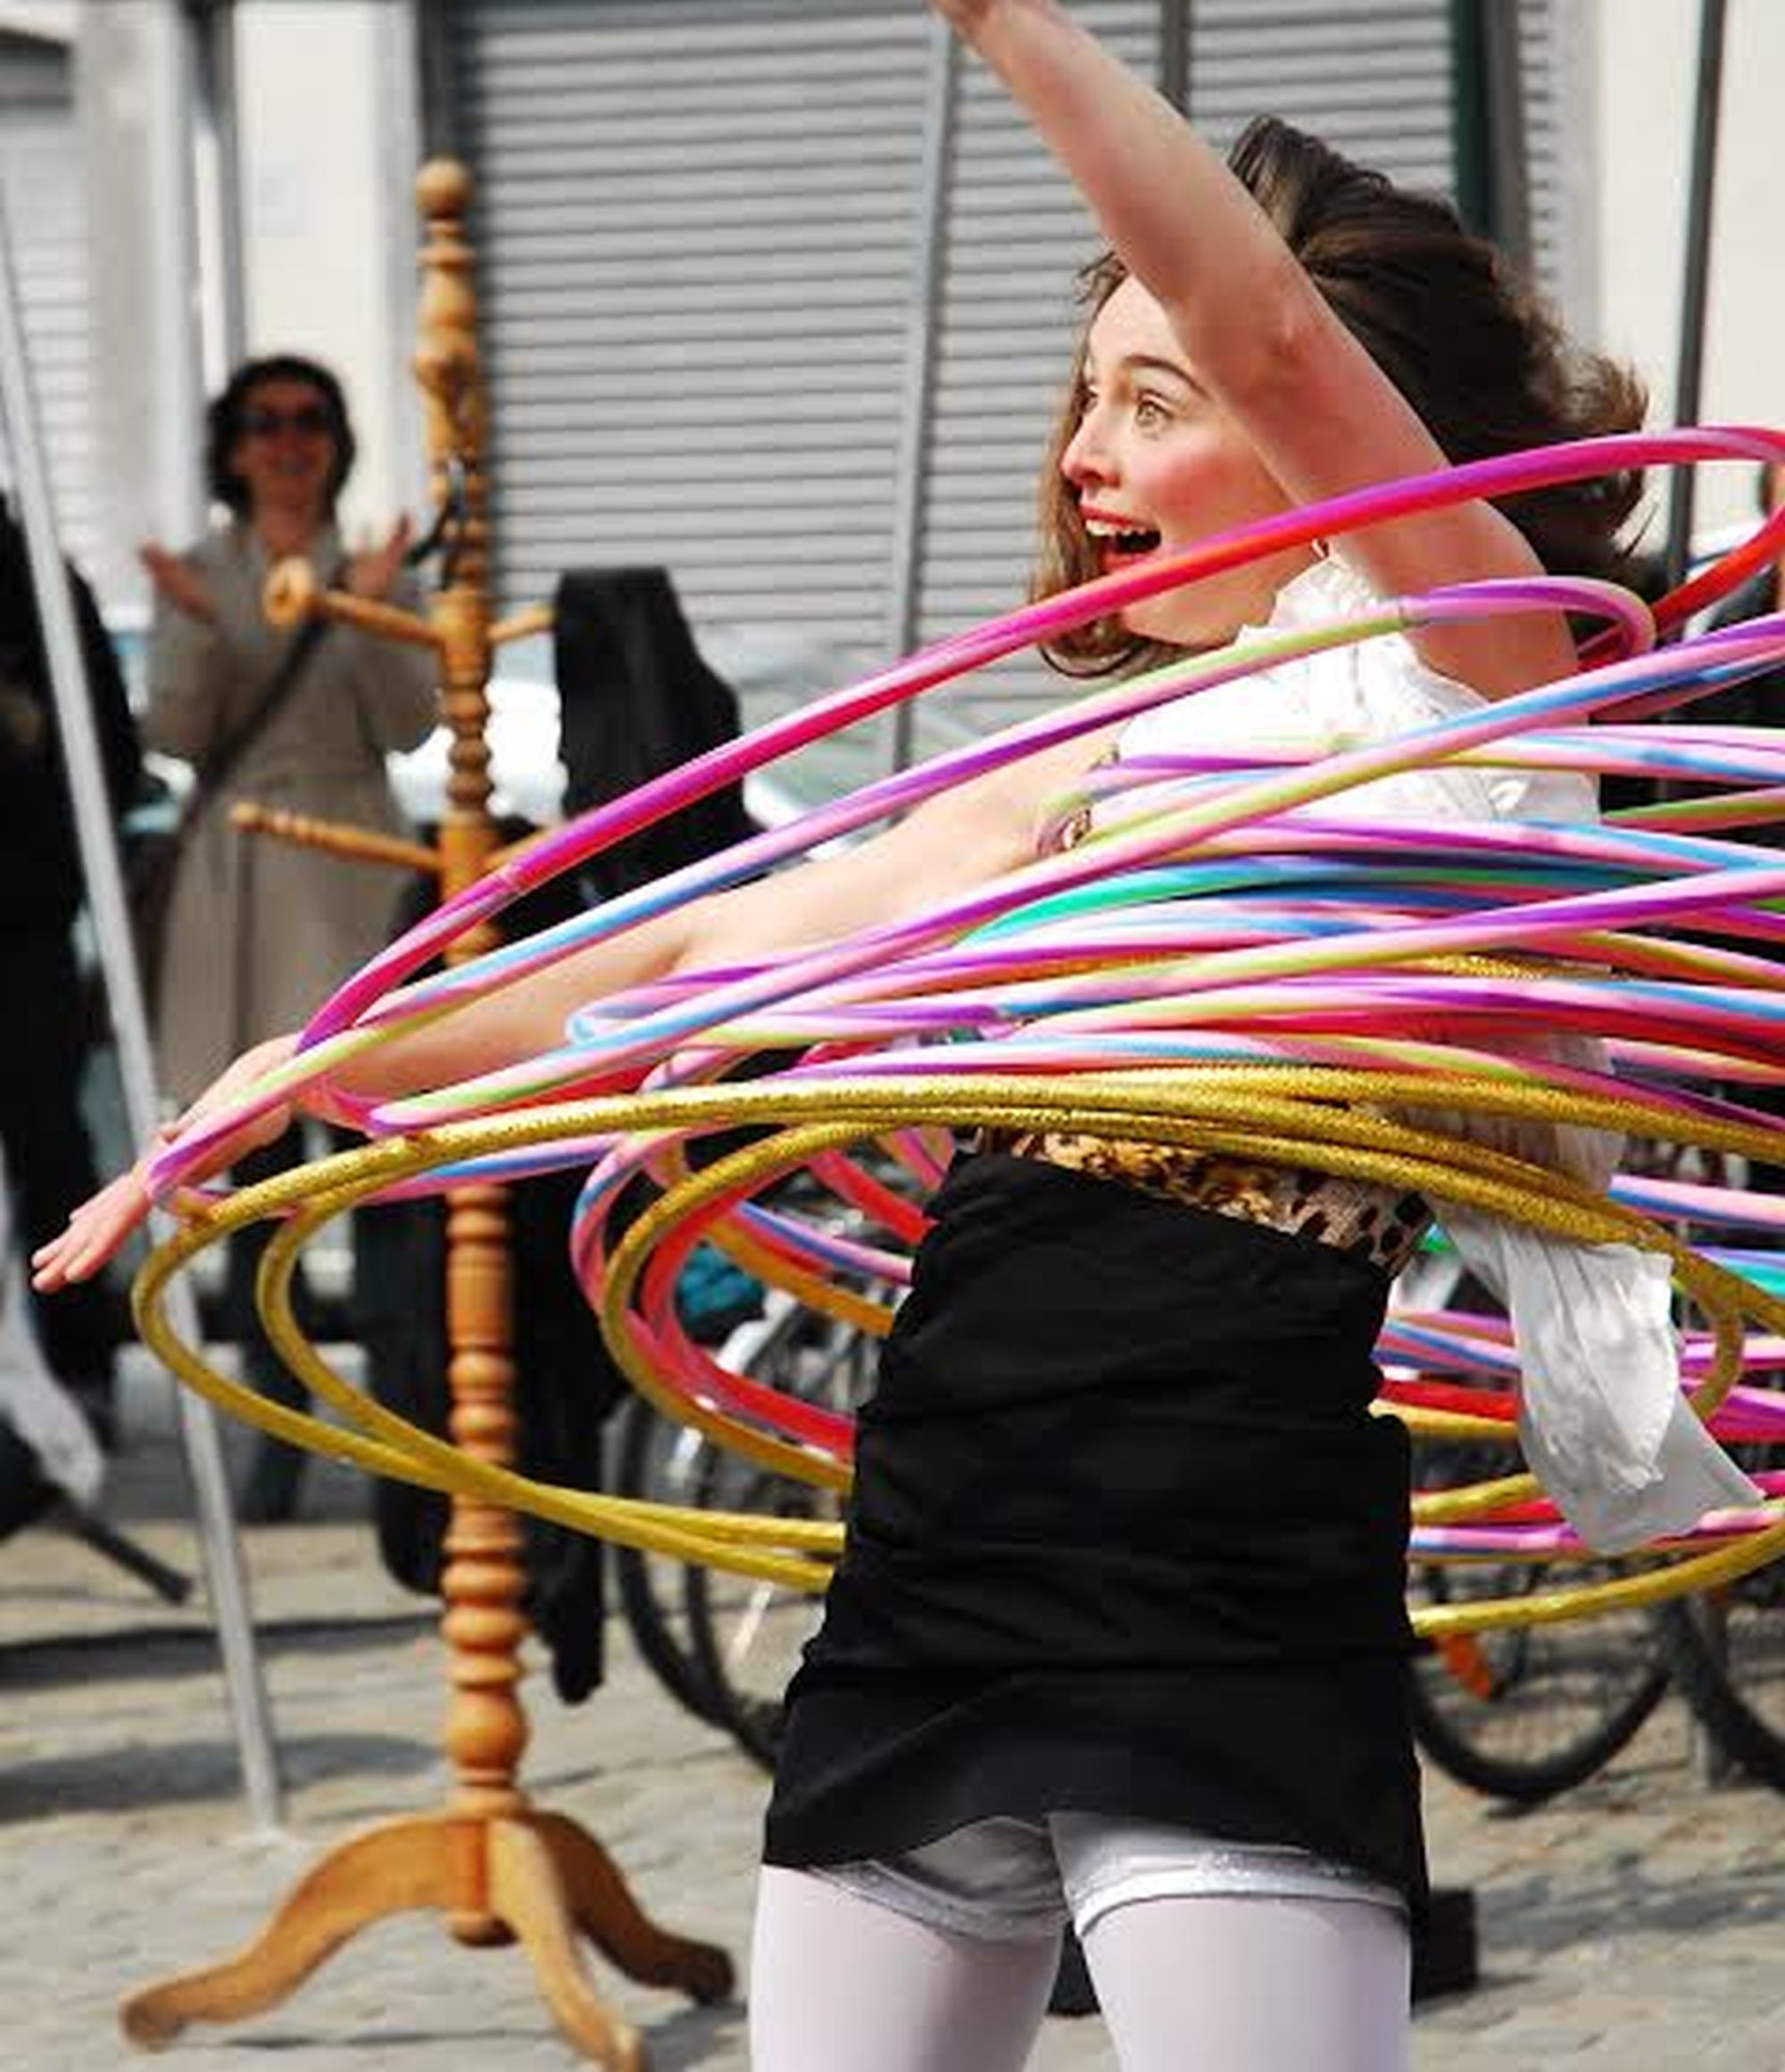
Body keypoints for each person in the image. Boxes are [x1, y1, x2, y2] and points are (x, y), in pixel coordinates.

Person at [31, 4, 1727, 2062]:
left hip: (1212, 1557)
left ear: (1310, 438)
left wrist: (1004, 26)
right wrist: (309, 1072)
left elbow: (1271, 327)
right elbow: (716, 943)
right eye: (1080, 395)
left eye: (1147, 399)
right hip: (935, 1530)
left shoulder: (1470, 678)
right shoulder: (1098, 756)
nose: (1082, 459)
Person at [139, 353, 438, 1520]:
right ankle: (280, 1407)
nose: (287, 441)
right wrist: (203, 623)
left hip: (356, 862)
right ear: (231, 443)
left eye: (309, 419)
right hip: (239, 878)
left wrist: (370, 604)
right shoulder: (202, 570)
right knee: (252, 1162)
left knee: (375, 1137)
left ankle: (397, 1408)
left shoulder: (373, 562)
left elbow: (413, 725)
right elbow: (173, 728)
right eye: (264, 423)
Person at [0, 492, 140, 1465]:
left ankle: (77, 1375)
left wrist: (26, 727)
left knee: (45, 1140)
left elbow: (106, 765)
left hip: (16, 921)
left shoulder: (34, 576)